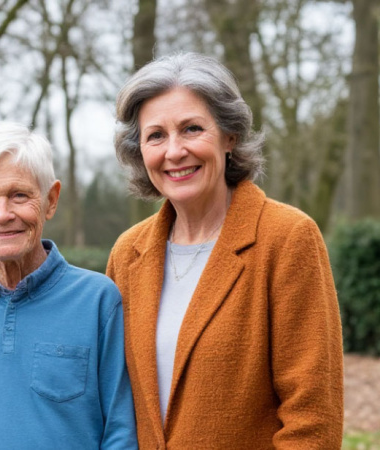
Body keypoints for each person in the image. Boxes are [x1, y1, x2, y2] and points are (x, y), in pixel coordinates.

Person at [106, 52, 343, 448]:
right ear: (139, 151)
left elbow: (313, 418)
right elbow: (116, 406)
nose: (174, 151)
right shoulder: (129, 252)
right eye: (156, 135)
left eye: (192, 128)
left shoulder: (287, 238)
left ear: (229, 135)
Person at [0, 121, 136, 448]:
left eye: (19, 195)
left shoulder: (98, 300)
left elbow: (120, 431)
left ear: (50, 200)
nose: (2, 214)